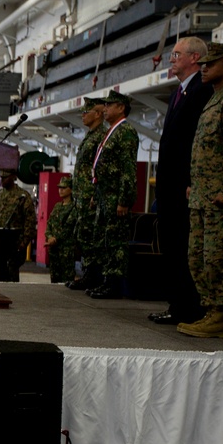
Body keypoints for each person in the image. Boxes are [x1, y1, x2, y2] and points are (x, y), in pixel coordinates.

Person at [177, 42, 223, 338]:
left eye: (211, 63)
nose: (203, 68)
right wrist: (196, 186)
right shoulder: (215, 99)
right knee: (198, 257)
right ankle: (212, 313)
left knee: (219, 258)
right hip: (203, 198)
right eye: (203, 63)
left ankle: (222, 316)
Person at [148, 37, 213, 325]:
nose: (171, 59)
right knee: (172, 248)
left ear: (195, 57)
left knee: (183, 248)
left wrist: (190, 181)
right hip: (170, 187)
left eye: (176, 54)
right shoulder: (182, 91)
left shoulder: (201, 90)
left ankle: (186, 307)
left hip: (184, 188)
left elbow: (195, 143)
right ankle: (177, 304)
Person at [86, 90, 139, 299]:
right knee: (106, 239)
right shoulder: (112, 131)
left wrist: (124, 200)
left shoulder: (125, 131)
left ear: (121, 108)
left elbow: (128, 169)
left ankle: (114, 283)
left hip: (115, 197)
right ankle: (105, 280)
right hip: (104, 195)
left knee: (115, 241)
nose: (105, 108)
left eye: (109, 105)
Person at [67, 97, 107, 290]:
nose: (83, 115)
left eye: (86, 112)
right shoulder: (91, 136)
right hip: (81, 196)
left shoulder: (101, 136)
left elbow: (100, 169)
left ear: (98, 114)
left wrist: (93, 194)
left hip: (90, 197)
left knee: (91, 236)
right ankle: (87, 274)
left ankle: (93, 276)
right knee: (83, 235)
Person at [0, 169, 37, 282]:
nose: (2, 180)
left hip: (15, 242)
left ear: (13, 177)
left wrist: (23, 243)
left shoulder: (23, 196)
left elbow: (30, 222)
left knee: (11, 274)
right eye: (1, 178)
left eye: (5, 177)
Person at [44, 176, 77, 284]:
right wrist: (49, 237)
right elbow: (49, 223)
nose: (60, 190)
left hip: (66, 249)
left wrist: (55, 239)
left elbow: (68, 227)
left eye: (64, 187)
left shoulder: (74, 207)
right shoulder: (57, 206)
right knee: (54, 279)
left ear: (71, 189)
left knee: (67, 280)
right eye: (59, 187)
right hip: (54, 249)